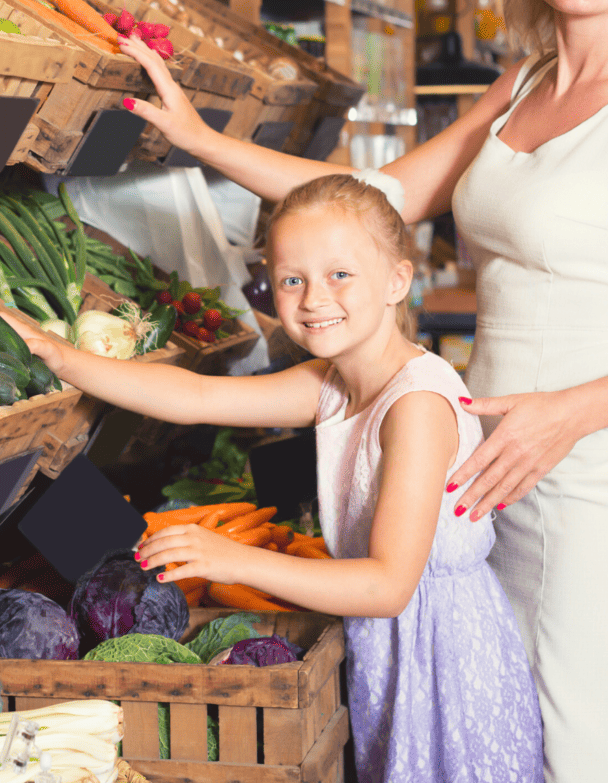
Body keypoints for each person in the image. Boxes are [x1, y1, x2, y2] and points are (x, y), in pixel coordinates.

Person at [114, 0, 608, 782]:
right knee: (499, 741)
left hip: (599, 490)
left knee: (597, 749)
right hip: (471, 482)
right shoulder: (522, 84)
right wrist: (198, 139)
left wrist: (562, 418)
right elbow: (372, 202)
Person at [4, 175, 543, 783]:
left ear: (397, 279)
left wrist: (230, 558)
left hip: (443, 661)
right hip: (397, 648)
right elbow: (194, 395)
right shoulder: (336, 382)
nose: (314, 298)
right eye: (293, 279)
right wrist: (59, 354)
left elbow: (389, 585)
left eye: (340, 274)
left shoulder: (416, 406)